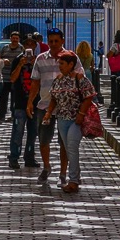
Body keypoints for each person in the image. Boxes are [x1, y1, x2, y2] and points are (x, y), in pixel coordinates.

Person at [27, 29, 81, 187]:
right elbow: (35, 81)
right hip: (44, 105)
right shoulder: (40, 59)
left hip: (66, 107)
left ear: (62, 41)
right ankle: (46, 167)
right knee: (43, 139)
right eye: (51, 41)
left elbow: (80, 77)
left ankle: (63, 173)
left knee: (64, 141)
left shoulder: (71, 57)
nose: (53, 44)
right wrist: (30, 101)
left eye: (57, 41)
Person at [48, 50, 96, 193]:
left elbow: (89, 96)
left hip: (76, 120)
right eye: (59, 64)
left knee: (72, 146)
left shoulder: (80, 78)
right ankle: (76, 176)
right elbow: (53, 98)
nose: (60, 66)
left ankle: (73, 181)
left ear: (71, 64)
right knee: (69, 149)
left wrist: (81, 113)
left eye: (62, 64)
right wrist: (48, 113)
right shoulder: (58, 79)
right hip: (62, 119)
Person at [7, 36, 38, 170]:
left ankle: (29, 157)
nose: (29, 47)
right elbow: (12, 79)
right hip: (20, 102)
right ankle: (14, 158)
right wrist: (20, 64)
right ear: (23, 46)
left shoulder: (39, 60)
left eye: (32, 44)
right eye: (27, 44)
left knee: (33, 132)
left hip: (35, 103)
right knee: (17, 132)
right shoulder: (18, 59)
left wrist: (34, 65)